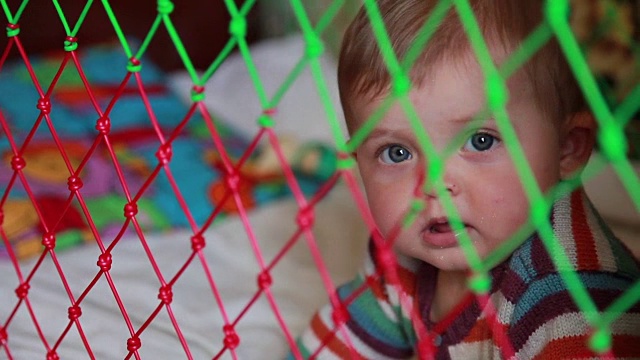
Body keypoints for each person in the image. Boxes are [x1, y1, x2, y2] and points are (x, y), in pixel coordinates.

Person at [289, 0, 640, 359]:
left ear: (567, 149)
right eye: (397, 152)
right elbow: (342, 338)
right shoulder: (404, 247)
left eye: (480, 141)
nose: (433, 184)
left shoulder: (568, 303)